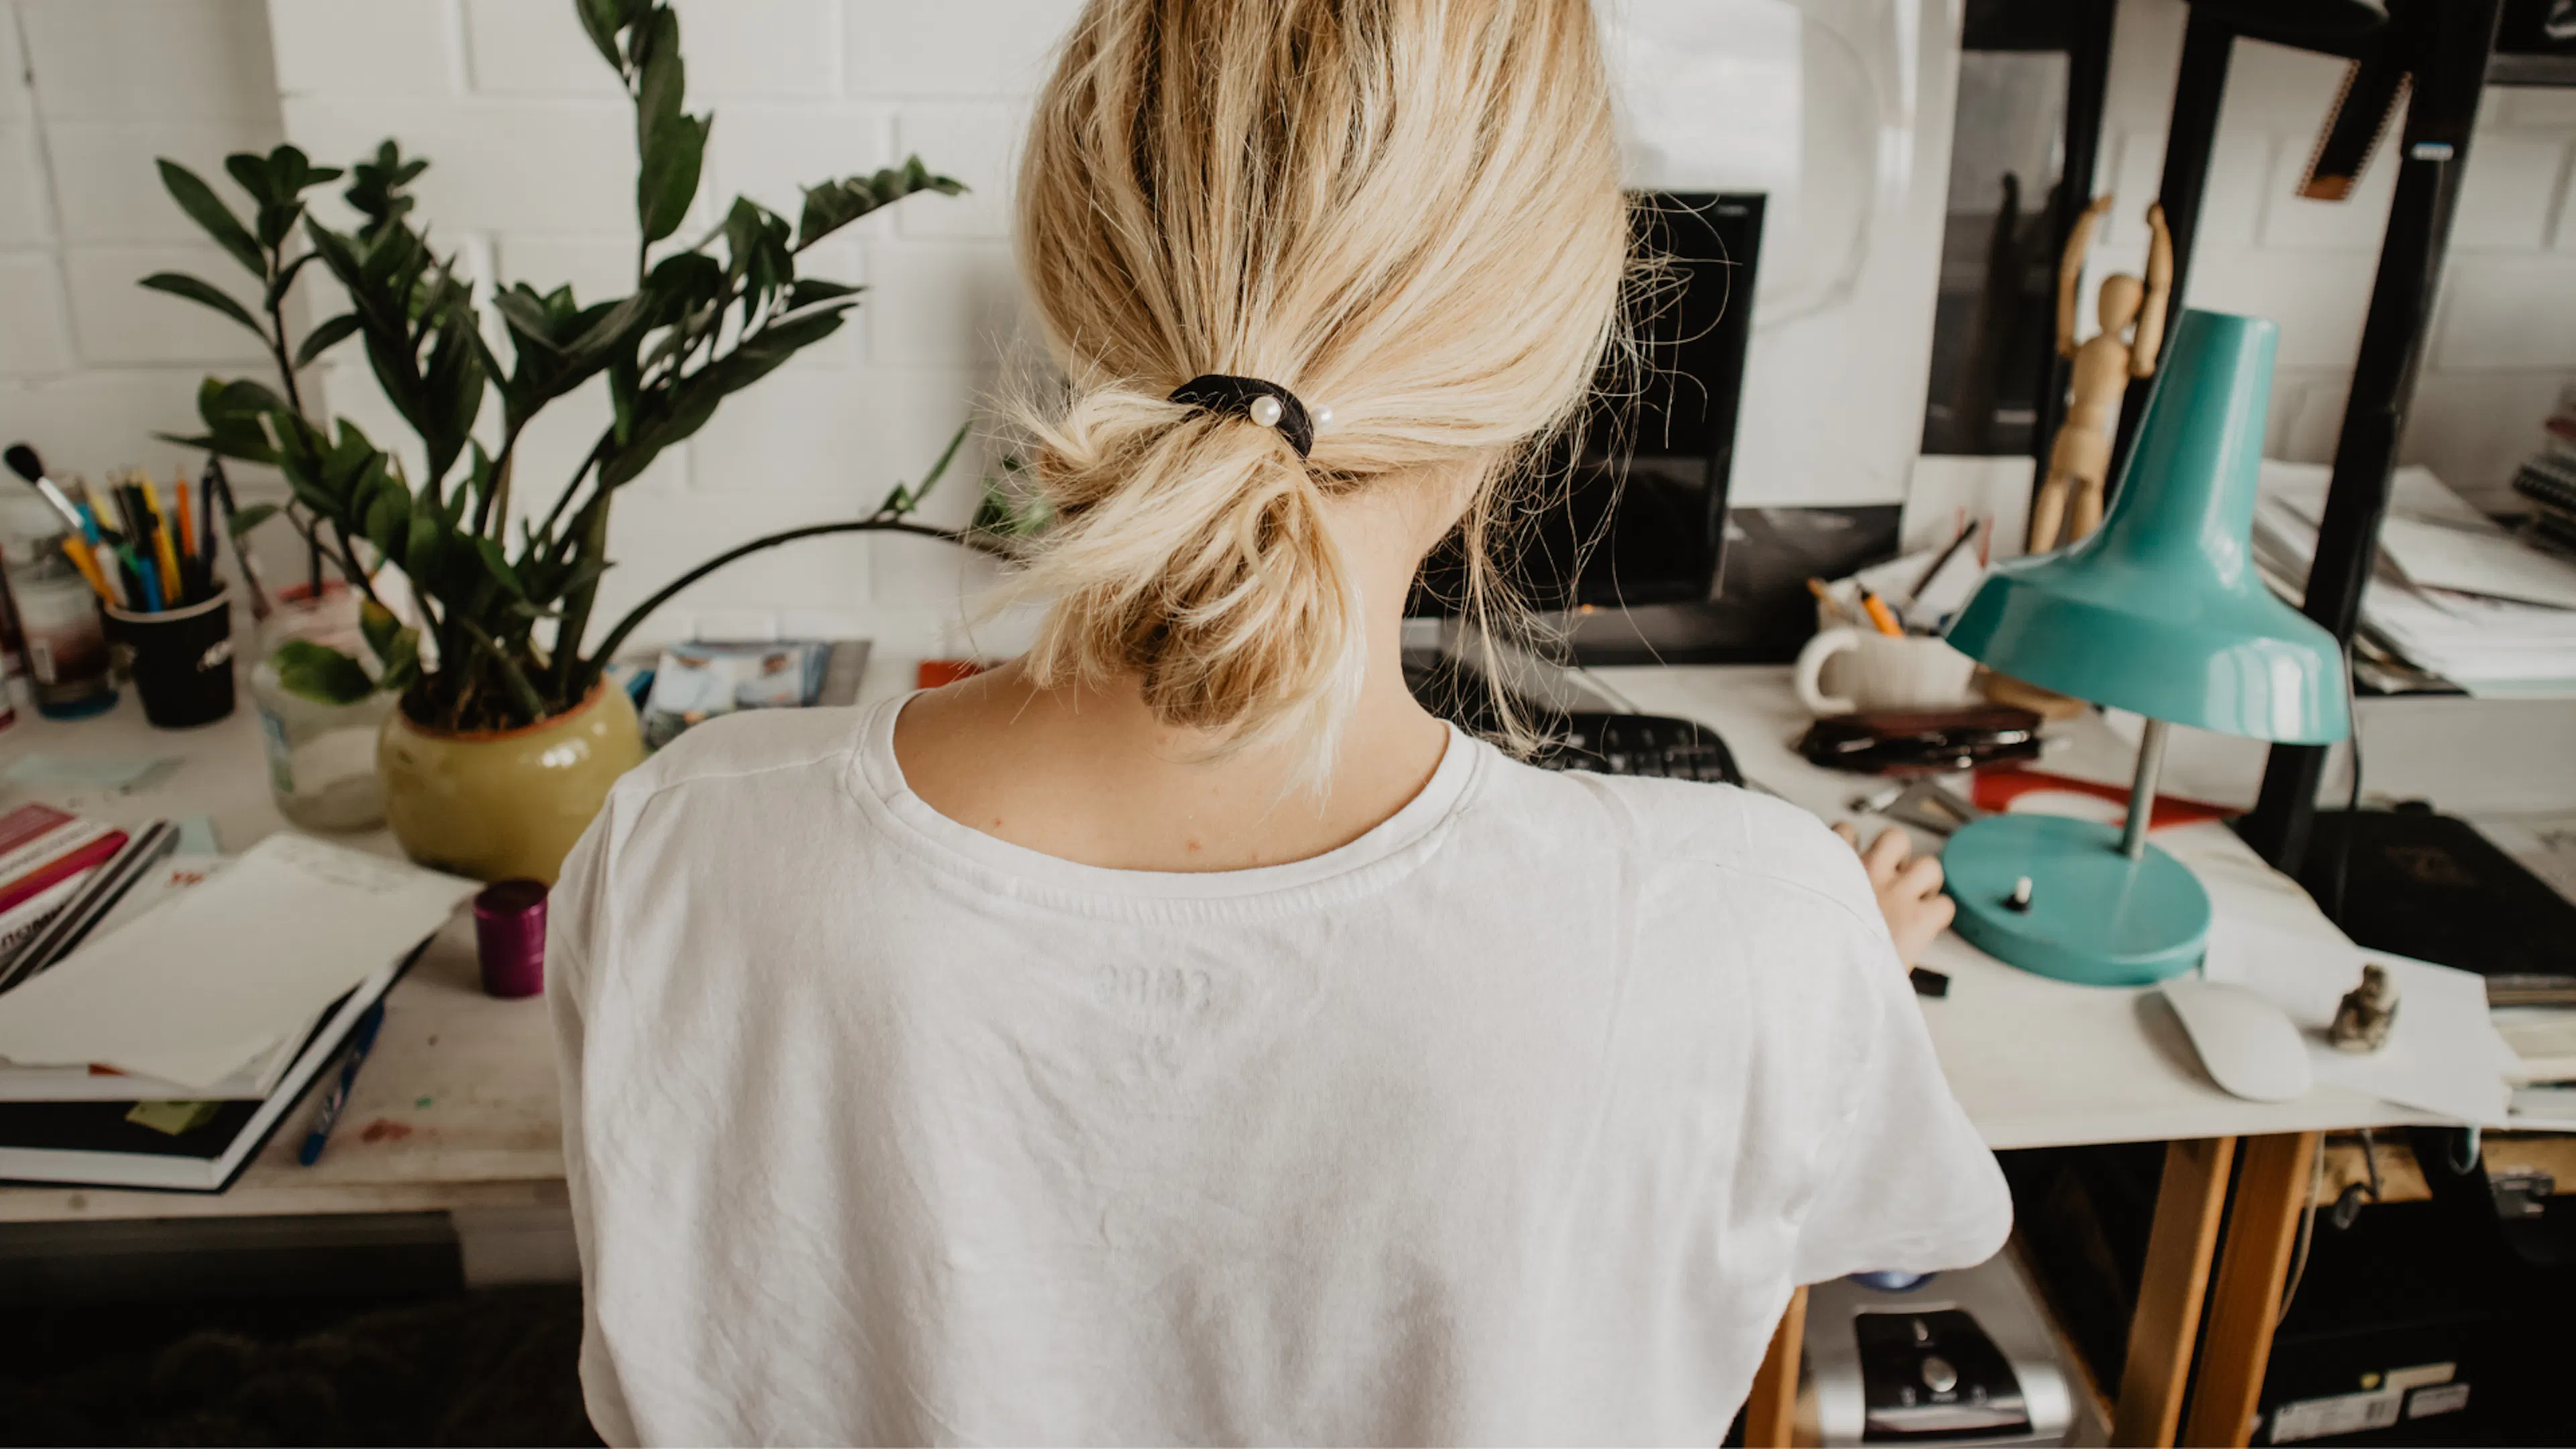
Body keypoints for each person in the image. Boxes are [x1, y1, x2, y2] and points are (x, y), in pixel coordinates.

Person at [547, 1, 2007, 1441]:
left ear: (1069, 277)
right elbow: (1899, 1237)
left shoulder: (677, 846)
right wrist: (1817, 981)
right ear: (1544, 363)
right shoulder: (1754, 927)